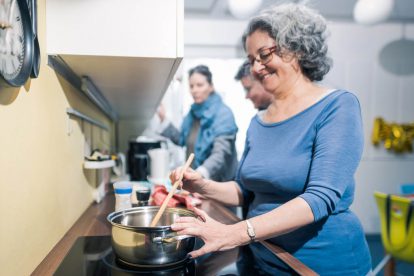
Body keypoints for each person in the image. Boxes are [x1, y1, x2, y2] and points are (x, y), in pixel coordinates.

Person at [170, 3, 372, 275]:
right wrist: (202, 185)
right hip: (261, 256)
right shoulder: (259, 121)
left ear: (297, 48)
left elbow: (319, 199)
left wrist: (236, 233)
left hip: (317, 264)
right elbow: (246, 190)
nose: (256, 67)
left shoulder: (337, 106)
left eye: (263, 55)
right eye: (251, 59)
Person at [158, 65, 238, 182]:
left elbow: (221, 154)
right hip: (196, 182)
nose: (194, 90)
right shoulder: (192, 113)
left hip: (220, 185)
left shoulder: (224, 114)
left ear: (211, 87)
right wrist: (163, 119)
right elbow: (181, 139)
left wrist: (199, 173)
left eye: (199, 85)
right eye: (191, 86)